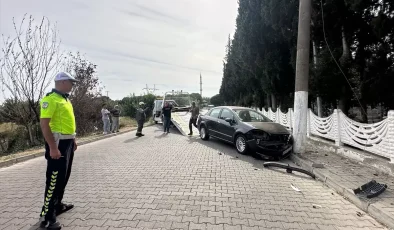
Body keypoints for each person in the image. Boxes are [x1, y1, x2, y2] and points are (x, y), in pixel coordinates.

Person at [38, 72, 78, 229]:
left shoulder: (65, 99)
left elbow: (67, 122)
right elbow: (44, 124)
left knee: (63, 177)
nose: (72, 85)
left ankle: (57, 205)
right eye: (71, 82)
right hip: (57, 144)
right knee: (53, 180)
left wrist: (73, 139)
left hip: (67, 142)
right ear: (61, 82)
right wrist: (53, 148)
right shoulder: (50, 99)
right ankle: (48, 218)